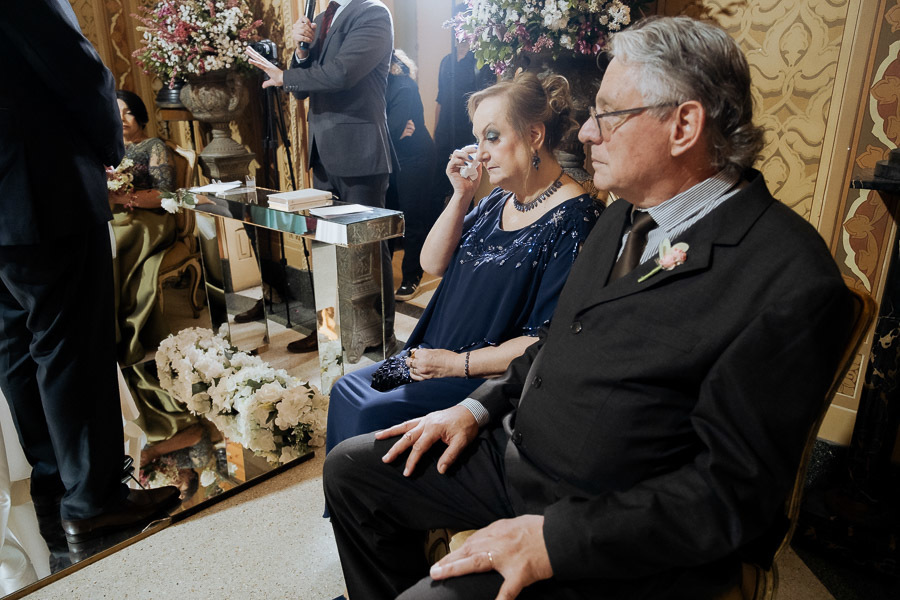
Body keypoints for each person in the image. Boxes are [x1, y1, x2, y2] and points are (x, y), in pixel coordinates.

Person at [322, 16, 856, 600]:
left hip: (612, 522)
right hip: (517, 455)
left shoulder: (790, 279)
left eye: (607, 114)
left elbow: (731, 495)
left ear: (684, 124)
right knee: (352, 472)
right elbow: (556, 341)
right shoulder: (627, 213)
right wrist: (473, 412)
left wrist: (557, 539)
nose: (583, 135)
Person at [325, 72, 601, 458]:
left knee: (370, 411)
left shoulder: (576, 218)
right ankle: (355, 510)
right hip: (429, 356)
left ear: (535, 135)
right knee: (345, 390)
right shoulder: (495, 201)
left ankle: (384, 508)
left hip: (480, 376)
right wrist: (461, 196)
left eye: (492, 136)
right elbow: (431, 262)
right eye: (477, 138)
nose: (480, 152)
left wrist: (455, 365)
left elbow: (546, 340)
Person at [0, 0, 179, 554]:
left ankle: (56, 479)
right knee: (70, 342)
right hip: (41, 187)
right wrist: (108, 148)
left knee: (17, 345)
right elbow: (74, 66)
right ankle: (95, 499)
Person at [245, 0, 397, 352]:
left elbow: (342, 73)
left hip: (360, 152)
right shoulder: (323, 15)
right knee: (326, 248)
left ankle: (382, 337)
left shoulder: (372, 12)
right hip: (323, 152)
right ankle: (330, 331)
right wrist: (300, 51)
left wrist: (286, 74)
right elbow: (300, 90)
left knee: (369, 249)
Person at [109, 89, 179, 366]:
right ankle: (106, 328)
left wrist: (122, 197)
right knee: (103, 238)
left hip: (152, 218)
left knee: (119, 237)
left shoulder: (153, 146)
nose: (122, 118)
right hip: (118, 214)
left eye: (128, 111)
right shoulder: (111, 148)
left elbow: (166, 195)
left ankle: (126, 331)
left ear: (139, 114)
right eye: (116, 113)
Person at [385, 49, 442, 301]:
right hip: (393, 158)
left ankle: (411, 277)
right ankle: (385, 276)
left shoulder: (404, 86)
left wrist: (389, 126)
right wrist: (389, 127)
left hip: (415, 159)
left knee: (412, 220)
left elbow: (397, 127)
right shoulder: (380, 86)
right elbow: (390, 129)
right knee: (387, 218)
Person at [432, 5, 495, 200]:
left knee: (466, 184)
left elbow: (487, 101)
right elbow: (440, 99)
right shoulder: (446, 61)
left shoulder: (481, 61)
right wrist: (436, 133)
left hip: (468, 131)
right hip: (444, 132)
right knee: (436, 188)